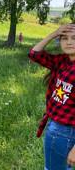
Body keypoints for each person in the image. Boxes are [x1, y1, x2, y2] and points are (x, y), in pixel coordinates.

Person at [28, 24, 75, 170]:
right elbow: (34, 54)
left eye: (74, 38)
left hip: (65, 131)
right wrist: (54, 33)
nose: (68, 42)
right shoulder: (61, 61)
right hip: (56, 127)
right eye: (64, 38)